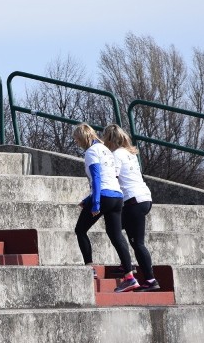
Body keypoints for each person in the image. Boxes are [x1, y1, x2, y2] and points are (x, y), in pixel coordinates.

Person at [72, 123, 138, 293]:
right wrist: (87, 200)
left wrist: (94, 203)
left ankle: (90, 267)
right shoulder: (105, 150)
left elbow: (96, 178)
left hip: (104, 196)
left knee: (80, 230)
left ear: (83, 137)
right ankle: (130, 276)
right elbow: (109, 176)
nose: (77, 143)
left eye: (77, 139)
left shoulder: (91, 152)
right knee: (116, 234)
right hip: (117, 196)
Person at [103, 123, 160, 292]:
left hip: (133, 200)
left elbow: (113, 176)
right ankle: (126, 264)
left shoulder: (116, 155)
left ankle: (149, 279)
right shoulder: (130, 154)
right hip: (144, 198)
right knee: (117, 228)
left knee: (136, 242)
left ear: (109, 139)